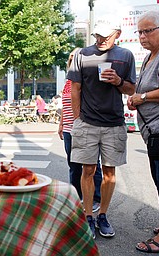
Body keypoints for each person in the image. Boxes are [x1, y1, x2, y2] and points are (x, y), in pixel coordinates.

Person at [67, 18, 136, 239]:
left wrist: (117, 81)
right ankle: (88, 215)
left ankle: (103, 215)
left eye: (106, 35)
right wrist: (77, 118)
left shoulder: (126, 56)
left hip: (114, 123)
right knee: (87, 171)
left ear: (118, 33)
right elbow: (74, 89)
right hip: (87, 122)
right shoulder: (83, 54)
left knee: (109, 173)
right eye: (97, 35)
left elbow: (131, 89)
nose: (101, 39)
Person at [127, 10, 159, 253]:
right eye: (140, 32)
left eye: (148, 31)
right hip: (155, 133)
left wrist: (143, 97)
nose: (142, 36)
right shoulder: (150, 56)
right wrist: (136, 99)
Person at [58, 48, 102, 214]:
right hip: (69, 129)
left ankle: (96, 198)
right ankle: (76, 197)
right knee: (73, 165)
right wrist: (61, 124)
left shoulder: (86, 77)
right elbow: (65, 105)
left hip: (84, 127)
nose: (72, 58)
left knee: (91, 165)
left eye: (76, 56)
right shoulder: (68, 80)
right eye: (71, 56)